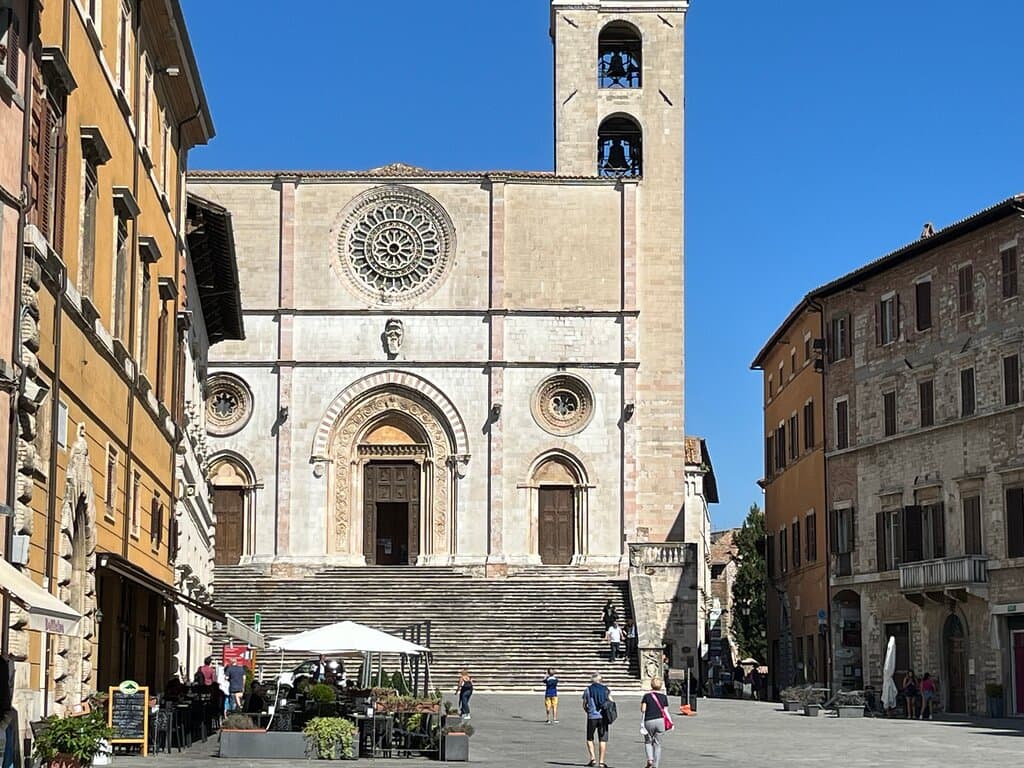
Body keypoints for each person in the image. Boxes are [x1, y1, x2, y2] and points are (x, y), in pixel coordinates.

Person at [582, 672, 612, 768]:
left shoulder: (588, 690)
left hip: (592, 716)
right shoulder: (606, 690)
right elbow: (611, 702)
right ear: (600, 680)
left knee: (589, 737)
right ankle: (601, 762)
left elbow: (584, 704)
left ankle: (593, 758)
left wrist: (588, 711)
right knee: (602, 739)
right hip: (603, 716)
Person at [640, 677, 671, 768]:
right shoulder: (664, 697)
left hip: (649, 720)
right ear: (660, 686)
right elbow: (665, 711)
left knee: (648, 741)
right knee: (658, 744)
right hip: (660, 721)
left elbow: (643, 709)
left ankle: (650, 759)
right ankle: (656, 765)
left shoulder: (647, 696)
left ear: (651, 685)